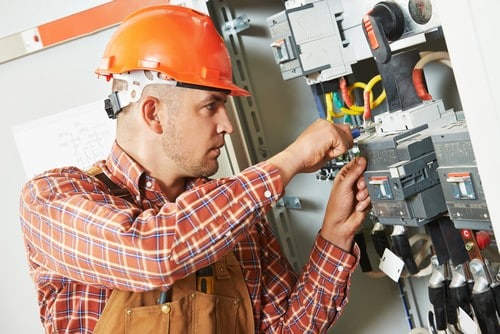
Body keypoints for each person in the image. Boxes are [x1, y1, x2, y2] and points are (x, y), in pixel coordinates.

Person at [19, 5, 370, 334]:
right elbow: (151, 254)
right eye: (211, 105)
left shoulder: (233, 219)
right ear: (154, 113)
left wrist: (335, 235)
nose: (227, 125)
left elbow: (285, 328)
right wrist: (289, 161)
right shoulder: (51, 198)